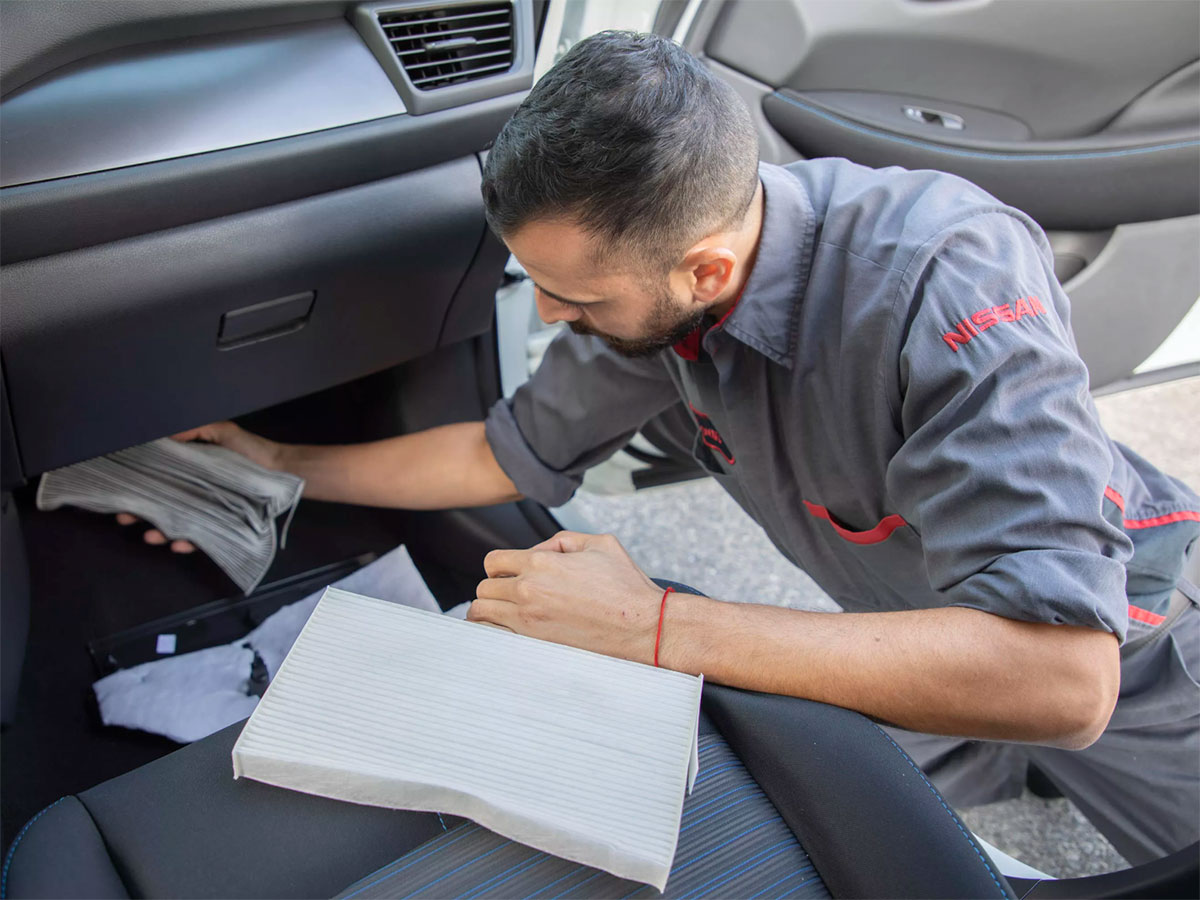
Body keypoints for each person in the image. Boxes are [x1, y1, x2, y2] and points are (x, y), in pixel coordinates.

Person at [127, 32, 1198, 864]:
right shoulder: (654, 305)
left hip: (1149, 650)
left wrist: (656, 627)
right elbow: (502, 458)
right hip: (914, 635)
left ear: (706, 269)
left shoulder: (945, 275)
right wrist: (276, 463)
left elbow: (1064, 679)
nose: (546, 317)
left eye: (572, 296)